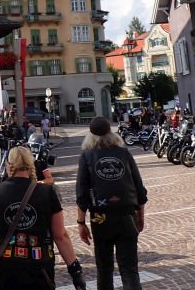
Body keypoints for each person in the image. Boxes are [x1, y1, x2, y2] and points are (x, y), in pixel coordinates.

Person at [0, 146, 86, 290]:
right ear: (31, 165)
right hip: (39, 270)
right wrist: (75, 272)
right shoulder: (47, 192)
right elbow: (60, 236)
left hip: (5, 270)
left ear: (9, 165)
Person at [76, 117, 147, 290]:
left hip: (100, 217)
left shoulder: (87, 155)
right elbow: (139, 188)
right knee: (129, 269)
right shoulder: (124, 153)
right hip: (126, 213)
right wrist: (140, 216)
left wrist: (81, 222)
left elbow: (82, 193)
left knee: (104, 268)